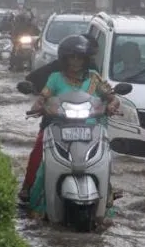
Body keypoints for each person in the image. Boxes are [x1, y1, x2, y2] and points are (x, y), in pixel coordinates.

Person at [20, 35, 120, 205]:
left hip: (91, 128)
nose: (76, 62)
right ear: (64, 59)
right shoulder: (55, 78)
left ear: (85, 59)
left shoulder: (94, 77)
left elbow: (112, 97)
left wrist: (112, 105)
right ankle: (29, 190)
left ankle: (107, 191)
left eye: (79, 58)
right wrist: (38, 106)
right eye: (72, 57)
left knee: (105, 156)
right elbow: (43, 98)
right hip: (59, 127)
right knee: (40, 153)